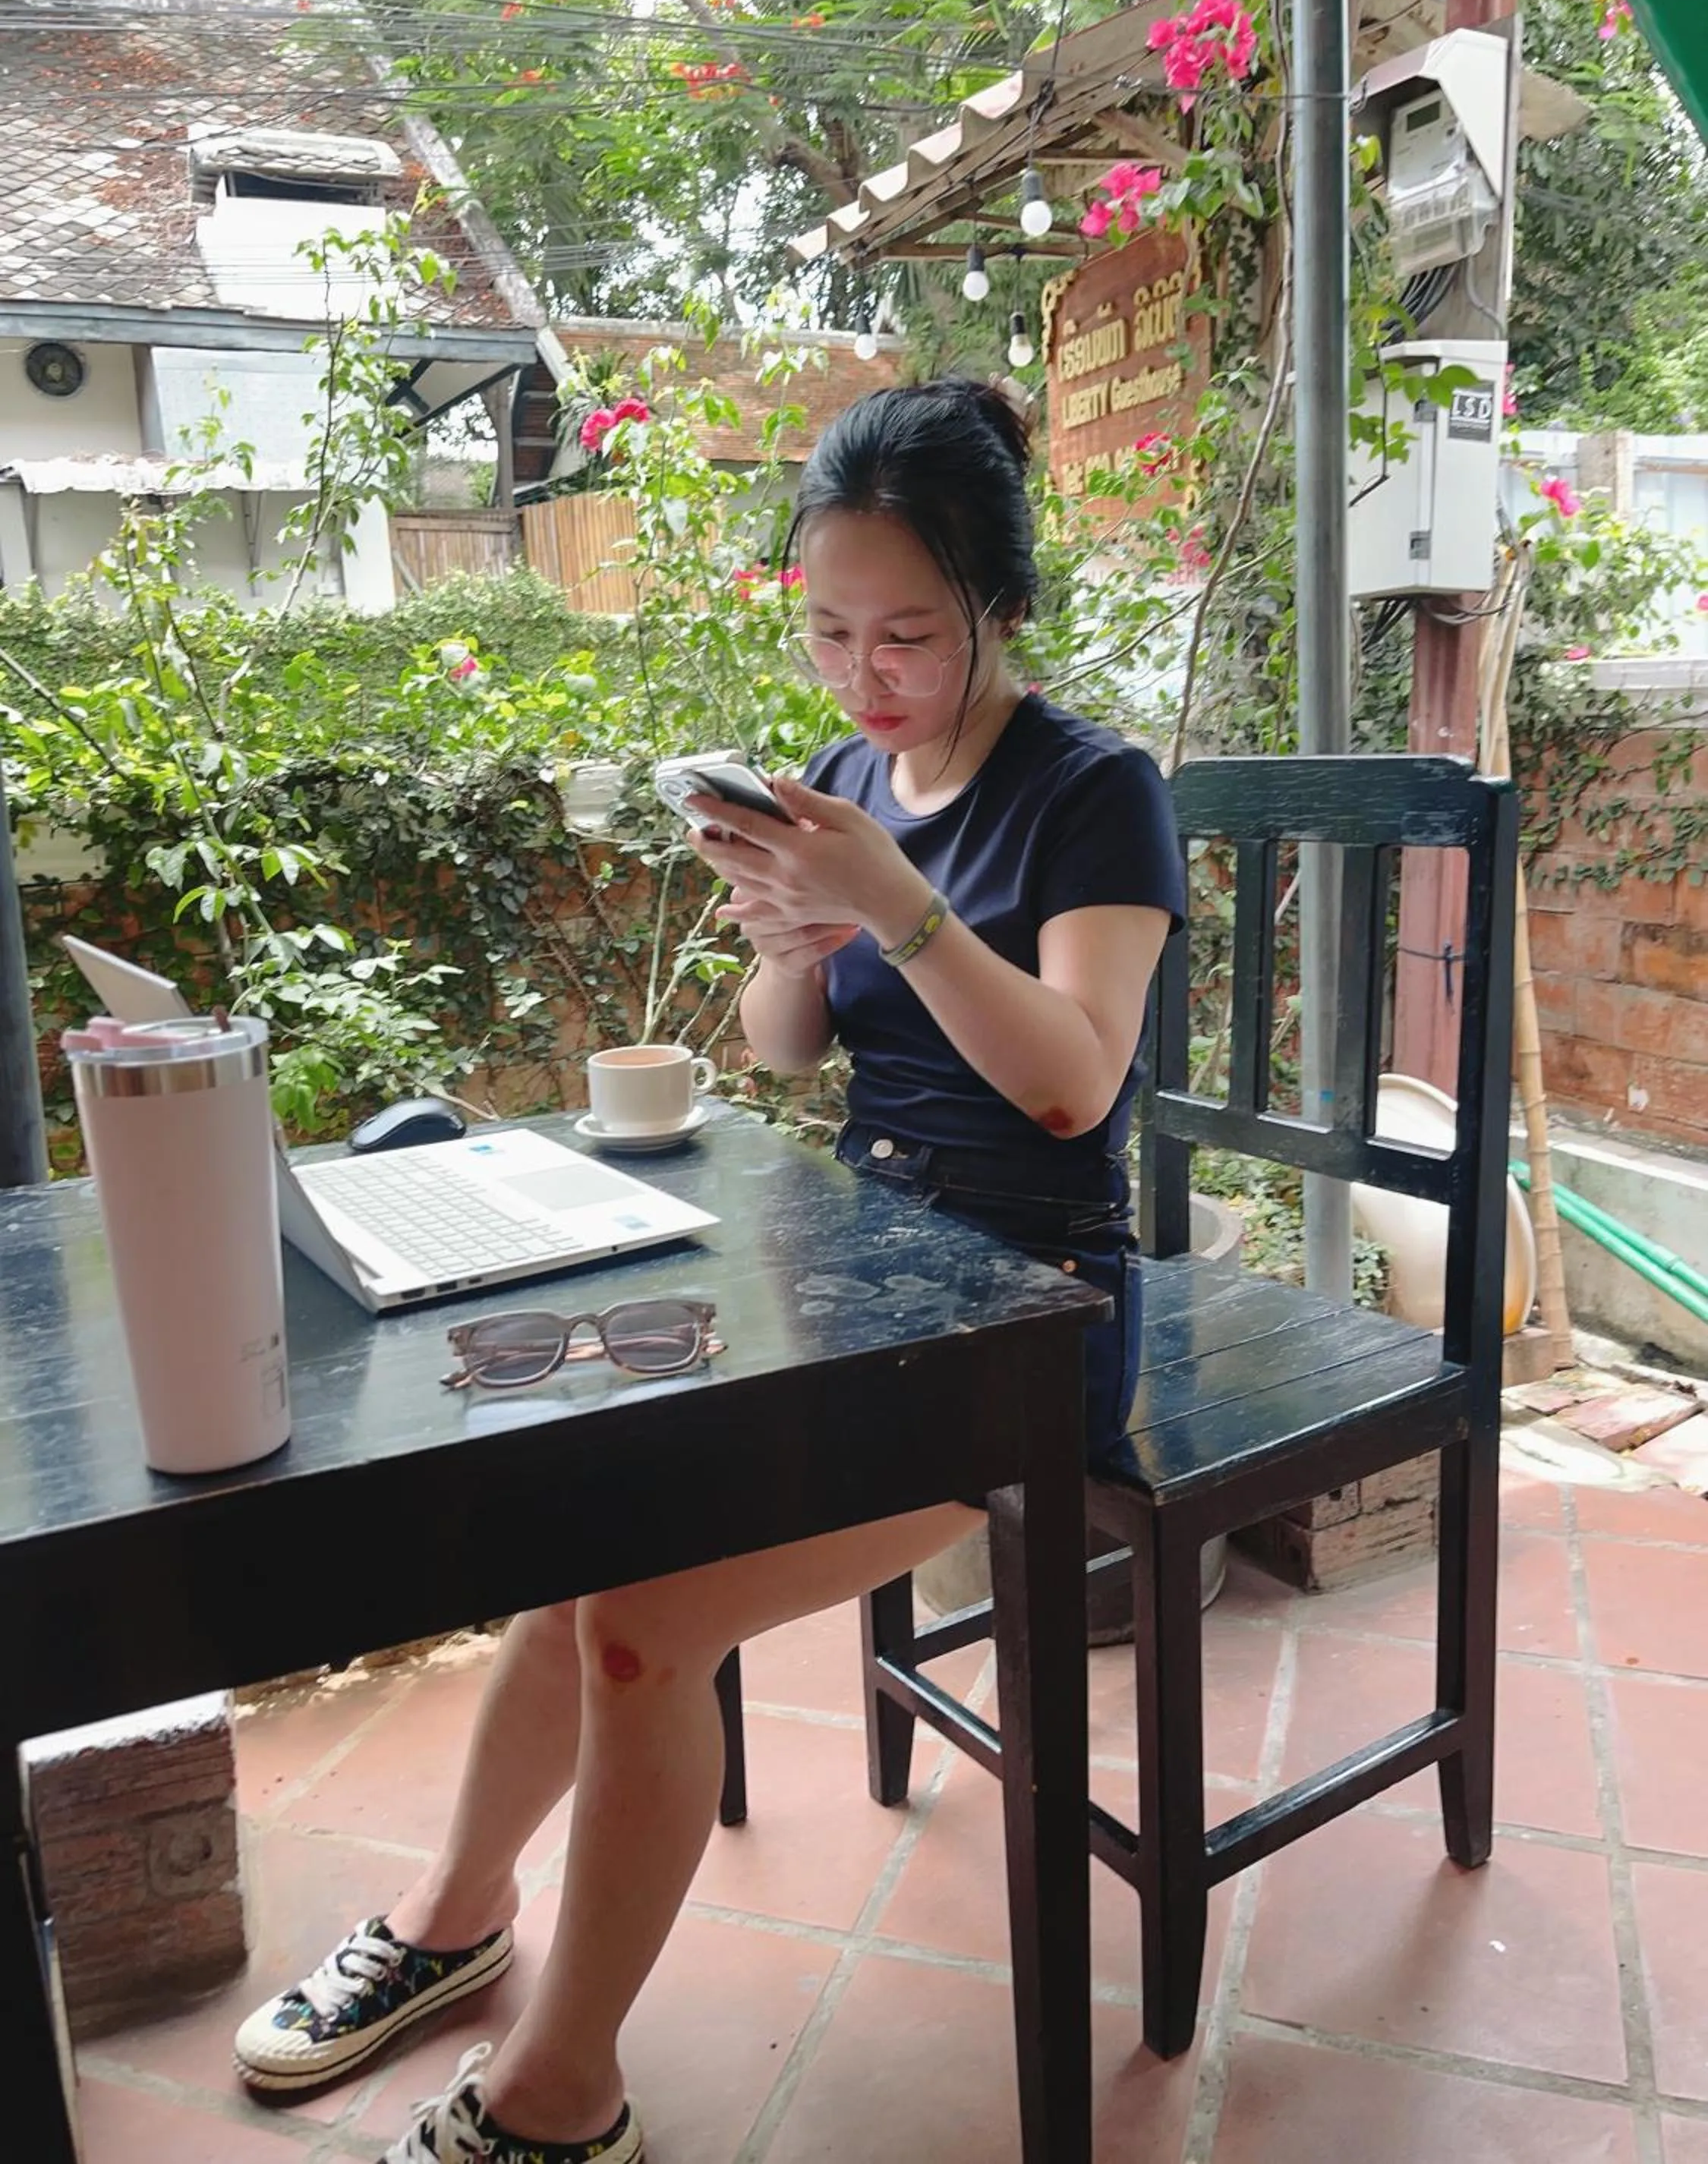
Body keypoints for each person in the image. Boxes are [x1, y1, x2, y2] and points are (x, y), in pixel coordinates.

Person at [232, 377, 1185, 2163]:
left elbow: (1074, 1087)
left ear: (1001, 606)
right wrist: (789, 937)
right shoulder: (846, 783)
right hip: (861, 1273)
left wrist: (896, 904)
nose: (864, 674)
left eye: (909, 633)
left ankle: (561, 2097)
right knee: (578, 1540)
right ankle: (455, 1918)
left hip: (1032, 1312)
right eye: (830, 630)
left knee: (644, 1629)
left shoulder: (1093, 790)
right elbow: (791, 1053)